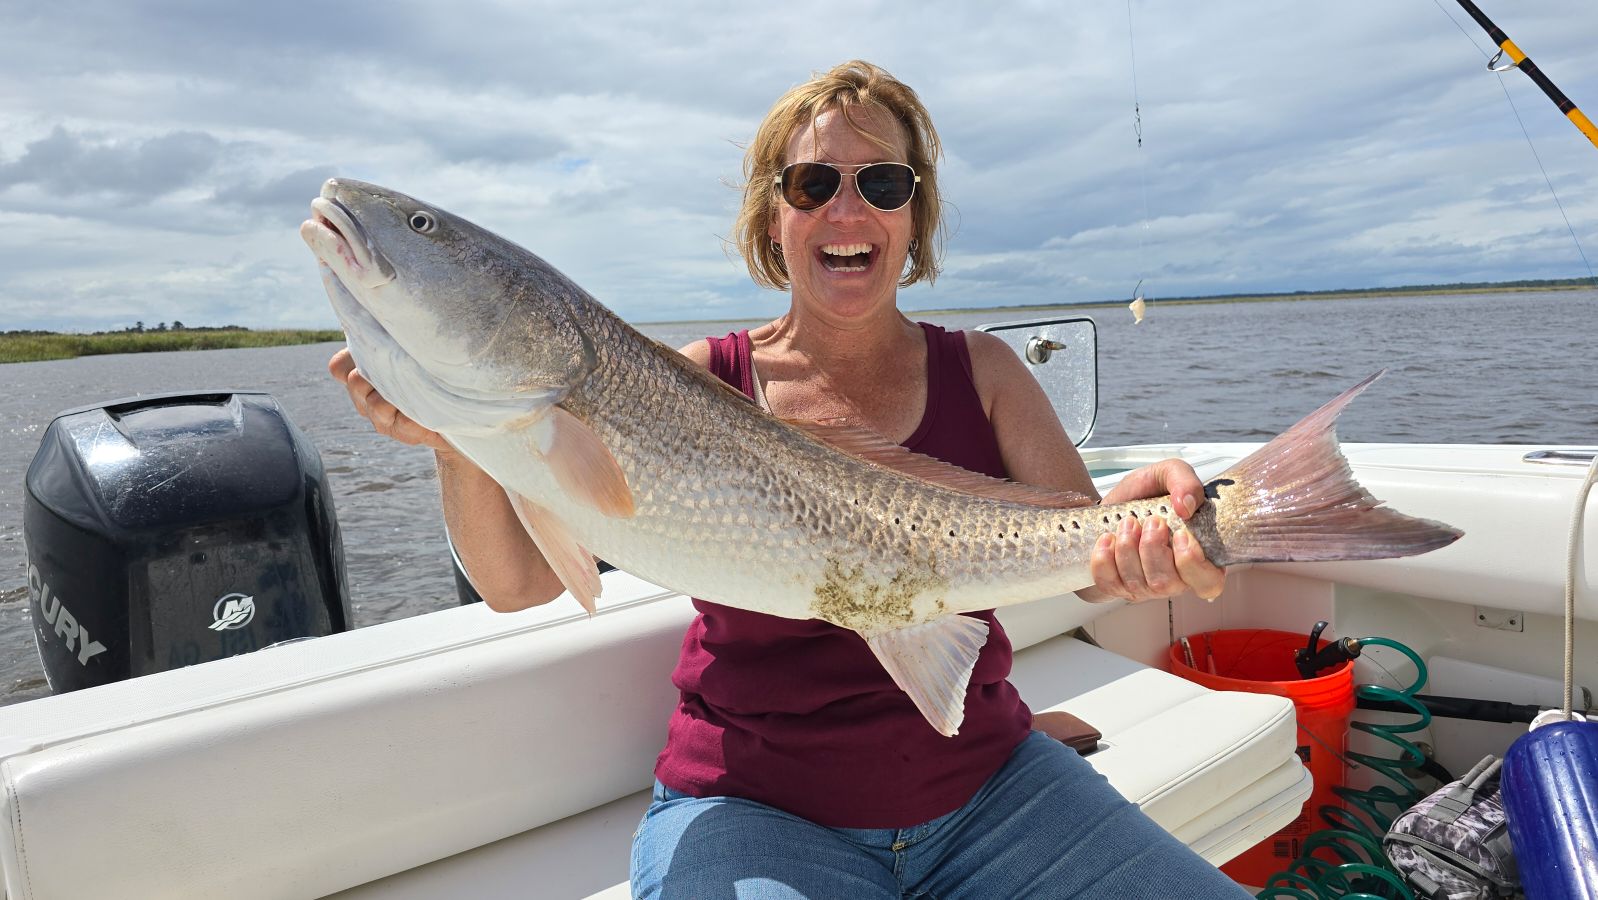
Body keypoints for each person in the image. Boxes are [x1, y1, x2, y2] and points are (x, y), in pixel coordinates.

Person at [330, 60, 1246, 899]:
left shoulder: (989, 373)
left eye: (882, 184)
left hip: (989, 787)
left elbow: (1085, 547)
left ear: (914, 218)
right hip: (756, 813)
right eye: (813, 184)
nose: (847, 211)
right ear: (774, 216)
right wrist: (455, 441)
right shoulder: (689, 384)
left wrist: (1150, 528)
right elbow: (519, 585)